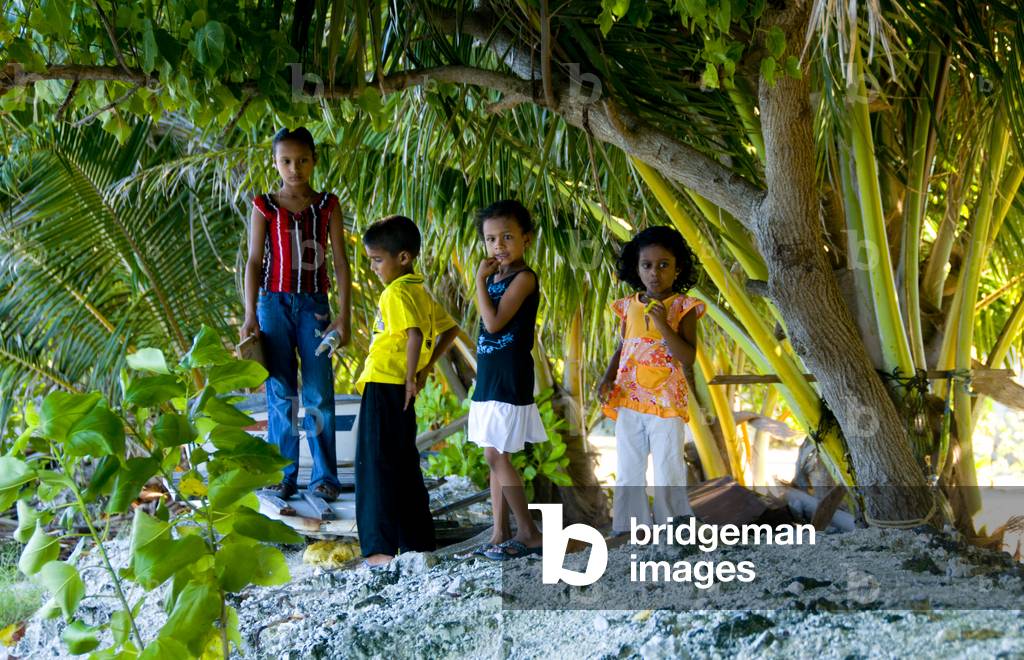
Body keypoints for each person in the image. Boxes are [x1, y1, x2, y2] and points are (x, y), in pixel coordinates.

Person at [241, 127, 349, 502]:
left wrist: (344, 316)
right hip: (272, 306)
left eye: (302, 160)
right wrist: (249, 313)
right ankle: (282, 475)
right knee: (281, 389)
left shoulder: (326, 206)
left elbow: (339, 263)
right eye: (286, 161)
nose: (294, 168)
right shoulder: (264, 206)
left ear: (314, 161)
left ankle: (324, 478)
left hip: (315, 307)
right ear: (275, 163)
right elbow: (255, 261)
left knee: (318, 391)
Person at [355, 215, 461, 568]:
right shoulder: (419, 291)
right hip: (401, 387)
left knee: (375, 466)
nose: (374, 269)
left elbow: (414, 335)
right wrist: (424, 369)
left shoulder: (396, 292)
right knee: (403, 465)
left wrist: (412, 376)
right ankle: (417, 542)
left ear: (403, 258)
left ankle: (379, 551)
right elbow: (451, 330)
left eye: (377, 260)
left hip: (386, 383)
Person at [598, 225, 704, 535]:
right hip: (629, 398)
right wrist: (606, 378)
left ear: (678, 267)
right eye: (647, 265)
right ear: (637, 268)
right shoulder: (628, 305)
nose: (655, 273)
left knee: (667, 465)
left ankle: (674, 528)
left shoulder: (684, 307)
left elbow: (688, 357)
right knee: (629, 465)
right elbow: (623, 346)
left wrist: (662, 323)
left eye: (663, 265)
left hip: (667, 402)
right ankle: (629, 529)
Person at [467, 200, 546, 561]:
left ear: (526, 240)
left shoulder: (524, 278)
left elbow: (494, 322)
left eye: (507, 237)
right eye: (491, 239)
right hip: (489, 376)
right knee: (493, 453)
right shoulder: (496, 279)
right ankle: (500, 532)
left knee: (496, 453)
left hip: (510, 375)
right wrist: (486, 281)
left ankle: (528, 531)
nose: (498, 246)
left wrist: (479, 281)